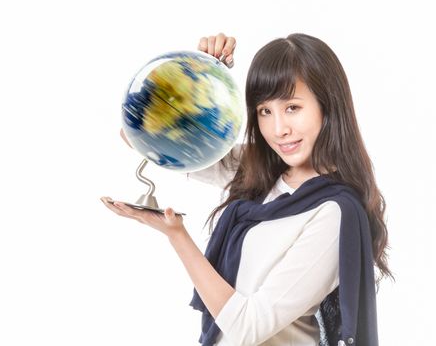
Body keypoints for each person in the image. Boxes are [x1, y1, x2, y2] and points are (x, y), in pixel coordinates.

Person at [102, 33, 394, 346]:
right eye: (265, 111)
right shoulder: (256, 170)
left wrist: (177, 236)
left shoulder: (334, 213)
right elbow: (139, 134)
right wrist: (199, 75)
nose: (279, 129)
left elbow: (248, 327)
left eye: (293, 107)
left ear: (328, 106)